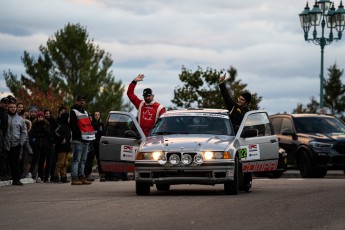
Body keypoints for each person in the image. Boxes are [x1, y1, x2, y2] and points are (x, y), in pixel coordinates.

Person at [219, 74, 252, 192]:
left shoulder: (247, 112)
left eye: (242, 99)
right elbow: (226, 97)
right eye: (239, 98)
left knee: (243, 160)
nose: (239, 100)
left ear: (246, 103)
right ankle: (235, 181)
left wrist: (238, 112)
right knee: (233, 160)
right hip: (231, 137)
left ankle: (246, 182)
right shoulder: (234, 107)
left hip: (242, 139)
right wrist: (221, 84)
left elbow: (244, 123)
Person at [69, 95, 96, 185]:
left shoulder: (85, 112)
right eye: (80, 100)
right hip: (78, 140)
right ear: (76, 101)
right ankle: (74, 178)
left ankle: (81, 177)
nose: (82, 101)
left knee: (83, 160)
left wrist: (88, 137)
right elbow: (73, 126)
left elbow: (87, 126)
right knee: (76, 160)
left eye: (83, 100)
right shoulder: (73, 111)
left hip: (85, 139)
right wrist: (80, 136)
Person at [4, 97, 27, 185]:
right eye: (11, 107)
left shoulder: (20, 119)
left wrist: (21, 143)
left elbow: (24, 132)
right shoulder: (5, 117)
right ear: (8, 108)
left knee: (15, 163)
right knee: (5, 162)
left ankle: (16, 179)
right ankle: (5, 176)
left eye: (14, 107)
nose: (13, 108)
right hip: (5, 143)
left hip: (16, 144)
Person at [29, 111, 51, 183]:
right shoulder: (34, 124)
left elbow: (48, 133)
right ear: (37, 117)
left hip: (45, 145)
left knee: (42, 160)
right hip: (37, 144)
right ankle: (30, 173)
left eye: (41, 117)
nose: (40, 118)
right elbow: (33, 134)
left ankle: (40, 176)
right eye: (39, 117)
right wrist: (41, 134)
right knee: (35, 159)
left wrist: (43, 129)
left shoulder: (46, 124)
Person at [84, 111, 105, 182]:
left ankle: (102, 174)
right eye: (95, 115)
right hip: (92, 143)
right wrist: (96, 132)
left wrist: (95, 132)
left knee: (100, 160)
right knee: (90, 160)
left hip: (99, 143)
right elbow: (91, 132)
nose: (97, 116)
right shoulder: (91, 123)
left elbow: (102, 133)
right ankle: (87, 174)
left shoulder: (101, 124)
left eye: (98, 115)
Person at [53, 111, 71, 183]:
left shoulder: (67, 126)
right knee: (60, 162)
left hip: (67, 147)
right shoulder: (61, 126)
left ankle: (63, 177)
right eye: (68, 117)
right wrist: (61, 138)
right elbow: (55, 132)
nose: (69, 119)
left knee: (65, 163)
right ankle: (55, 176)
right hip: (61, 147)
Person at [44, 109, 59, 182]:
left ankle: (50, 176)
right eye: (46, 113)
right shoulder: (42, 121)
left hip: (51, 143)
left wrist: (54, 139)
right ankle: (44, 176)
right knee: (43, 160)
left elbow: (57, 131)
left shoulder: (53, 121)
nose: (47, 115)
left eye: (48, 113)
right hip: (44, 143)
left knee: (50, 161)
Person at [0, 97, 10, 181]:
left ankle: (2, 174)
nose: (7, 104)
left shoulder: (5, 113)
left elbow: (5, 126)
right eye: (5, 103)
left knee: (3, 155)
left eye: (8, 103)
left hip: (3, 136)